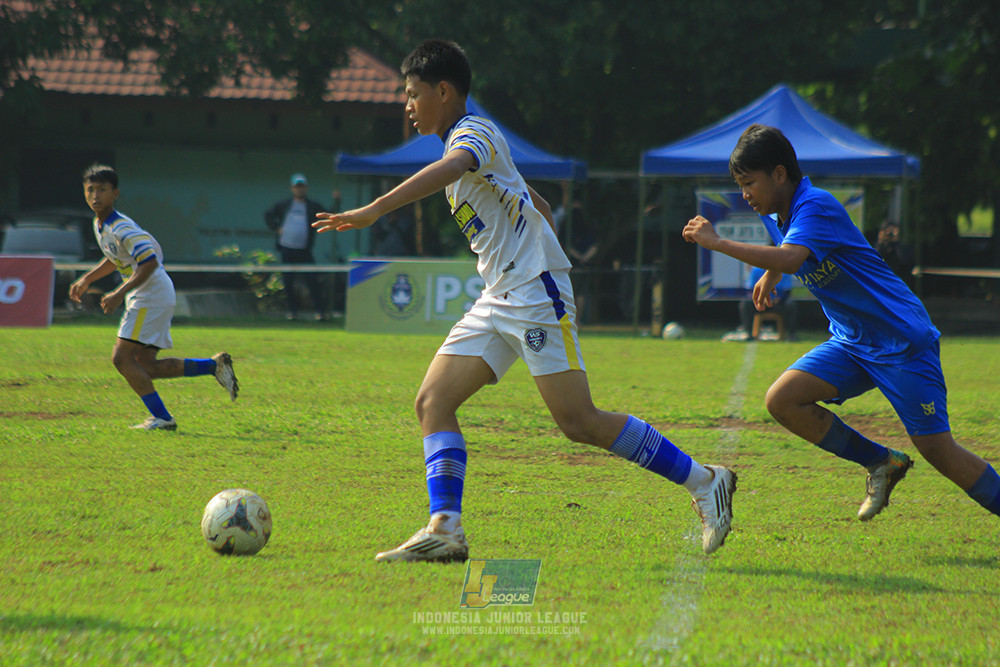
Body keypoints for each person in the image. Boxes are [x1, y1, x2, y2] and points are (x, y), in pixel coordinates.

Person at [314, 39, 737, 561]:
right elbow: (531, 199)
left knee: (578, 421)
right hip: (500, 295)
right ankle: (445, 528)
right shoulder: (472, 143)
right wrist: (537, 233)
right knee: (432, 402)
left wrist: (376, 208)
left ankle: (705, 480)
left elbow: (455, 169)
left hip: (533, 292)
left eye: (413, 94)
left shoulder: (472, 133)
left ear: (444, 92)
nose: (407, 105)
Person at [683, 124, 1000, 524]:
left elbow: (791, 257)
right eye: (740, 185)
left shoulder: (817, 204)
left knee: (938, 450)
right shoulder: (777, 211)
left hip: (900, 340)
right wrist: (771, 275)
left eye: (750, 183)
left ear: (780, 174)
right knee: (782, 400)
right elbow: (787, 252)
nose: (745, 194)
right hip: (852, 341)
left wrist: (719, 243)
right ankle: (882, 463)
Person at [69, 164, 238, 431]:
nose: (95, 195)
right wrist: (88, 278)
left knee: (121, 359)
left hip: (149, 295)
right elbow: (116, 258)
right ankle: (213, 366)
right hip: (151, 294)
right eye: (90, 190)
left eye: (102, 190)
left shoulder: (121, 226)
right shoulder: (100, 224)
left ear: (115, 193)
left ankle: (163, 418)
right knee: (147, 366)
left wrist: (118, 292)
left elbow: (147, 262)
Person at [264, 173, 328, 320]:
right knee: (288, 282)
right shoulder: (284, 205)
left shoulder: (312, 206)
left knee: (312, 280)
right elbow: (268, 215)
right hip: (287, 249)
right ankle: (292, 312)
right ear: (292, 188)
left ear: (306, 188)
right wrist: (276, 228)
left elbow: (328, 214)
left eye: (302, 186)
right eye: (296, 186)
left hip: (304, 251)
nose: (299, 189)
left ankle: (320, 312)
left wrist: (337, 201)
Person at [737, 265, 798, 341]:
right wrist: (760, 299)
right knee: (746, 303)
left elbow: (787, 291)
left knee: (790, 304)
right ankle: (749, 333)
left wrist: (779, 300)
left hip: (777, 303)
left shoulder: (784, 271)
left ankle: (791, 335)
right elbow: (750, 291)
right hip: (760, 303)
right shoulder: (756, 270)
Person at [874, 220, 914, 288]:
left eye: (892, 232)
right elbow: (875, 260)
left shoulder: (901, 249)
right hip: (881, 283)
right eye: (887, 232)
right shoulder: (879, 248)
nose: (889, 235)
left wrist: (895, 242)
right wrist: (881, 242)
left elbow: (904, 261)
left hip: (897, 284)